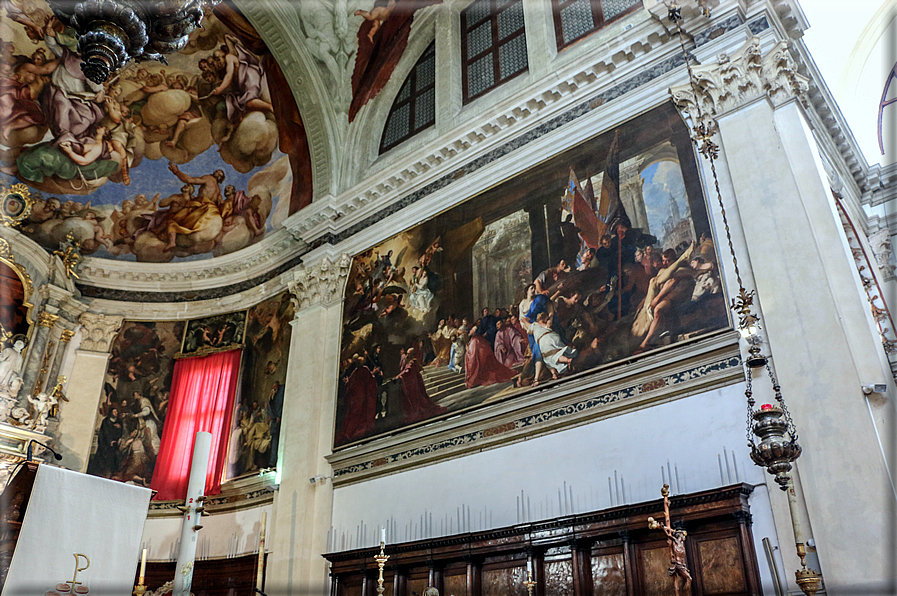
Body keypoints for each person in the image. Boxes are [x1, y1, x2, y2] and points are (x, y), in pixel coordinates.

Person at [631, 243, 695, 351]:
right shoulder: (663, 271)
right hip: (665, 296)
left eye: (668, 261)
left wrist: (656, 299)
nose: (665, 263)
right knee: (654, 282)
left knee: (657, 310)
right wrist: (646, 300)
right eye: (663, 260)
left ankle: (645, 342)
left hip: (676, 296)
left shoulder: (682, 271)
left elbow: (672, 285)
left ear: (673, 260)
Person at [532, 312, 577, 379]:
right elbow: (550, 320)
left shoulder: (535, 326)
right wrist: (550, 315)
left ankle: (568, 360)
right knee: (548, 360)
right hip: (552, 338)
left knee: (552, 356)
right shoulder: (545, 323)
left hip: (547, 341)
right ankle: (554, 374)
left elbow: (528, 329)